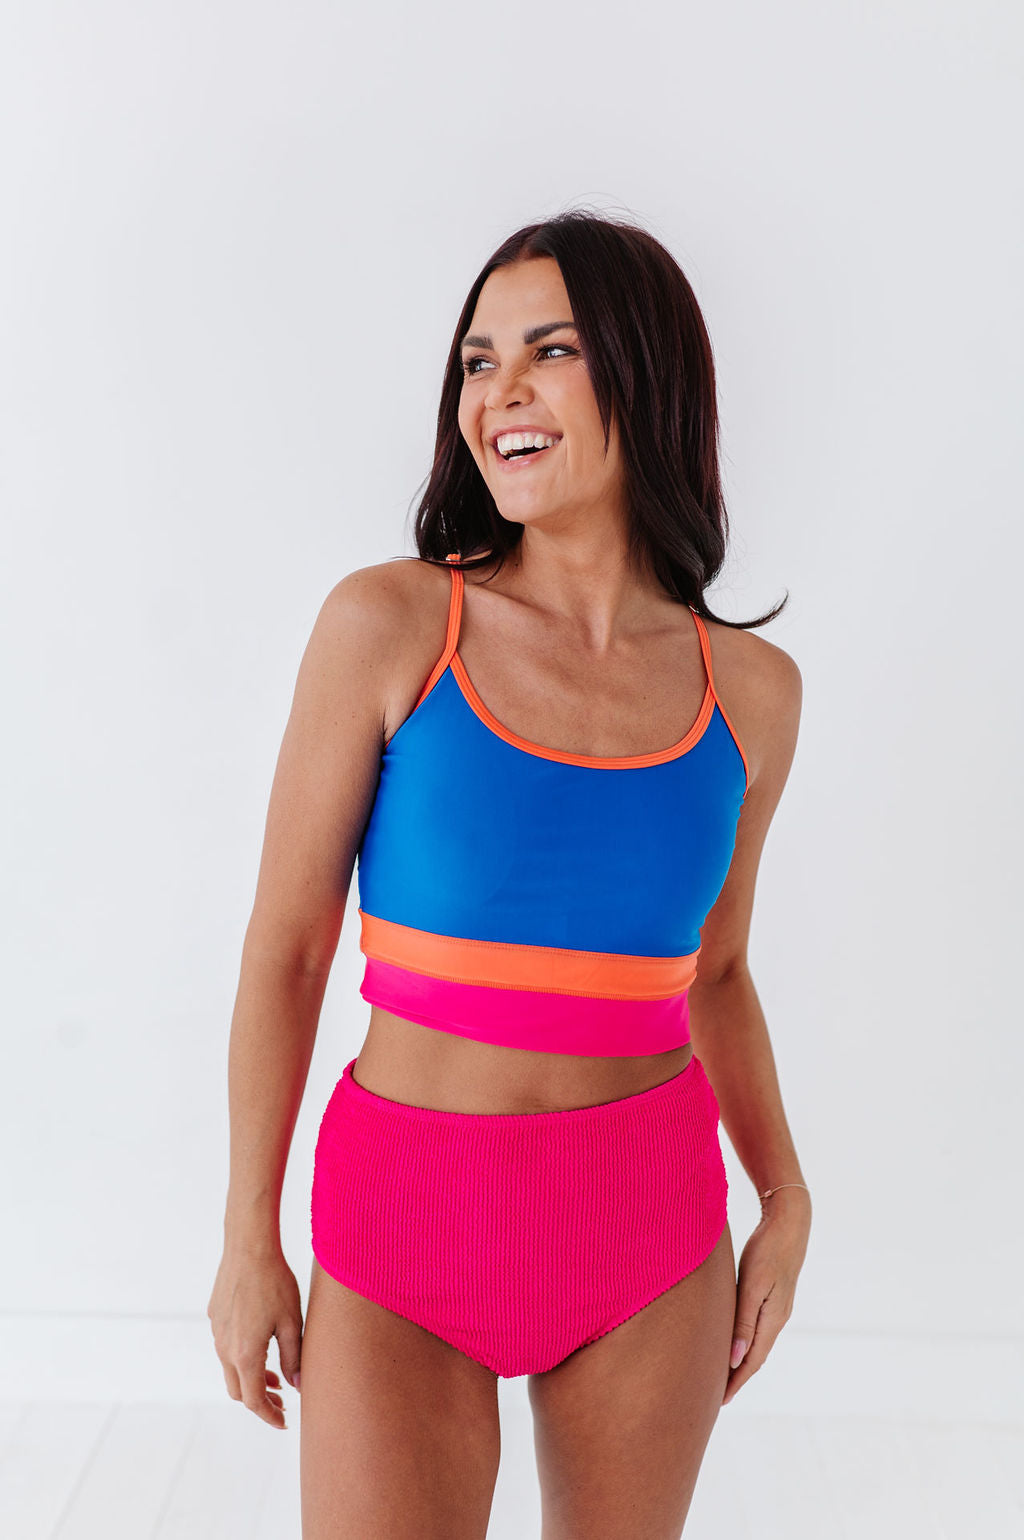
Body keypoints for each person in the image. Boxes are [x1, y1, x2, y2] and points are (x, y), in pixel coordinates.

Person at [207, 208, 811, 1539]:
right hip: (405, 1220)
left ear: (647, 376)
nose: (501, 393)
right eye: (479, 362)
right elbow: (288, 950)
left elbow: (717, 972)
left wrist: (785, 1194)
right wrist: (249, 1236)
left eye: (551, 351)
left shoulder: (752, 695)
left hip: (649, 1231)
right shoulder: (392, 626)